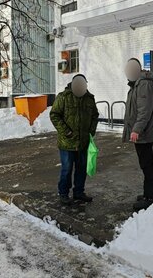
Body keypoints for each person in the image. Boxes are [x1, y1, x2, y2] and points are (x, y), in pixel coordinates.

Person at [50, 74, 99, 205]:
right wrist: (66, 131)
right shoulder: (63, 97)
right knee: (67, 168)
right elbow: (54, 115)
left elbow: (95, 115)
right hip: (67, 142)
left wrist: (91, 131)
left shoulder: (89, 99)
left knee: (81, 168)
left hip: (83, 142)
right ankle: (63, 193)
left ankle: (79, 192)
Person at [123, 58, 153, 212]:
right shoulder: (137, 84)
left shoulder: (143, 84)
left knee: (147, 164)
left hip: (144, 132)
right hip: (142, 132)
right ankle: (150, 193)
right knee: (146, 163)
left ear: (138, 69)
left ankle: (151, 197)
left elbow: (144, 110)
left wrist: (136, 129)